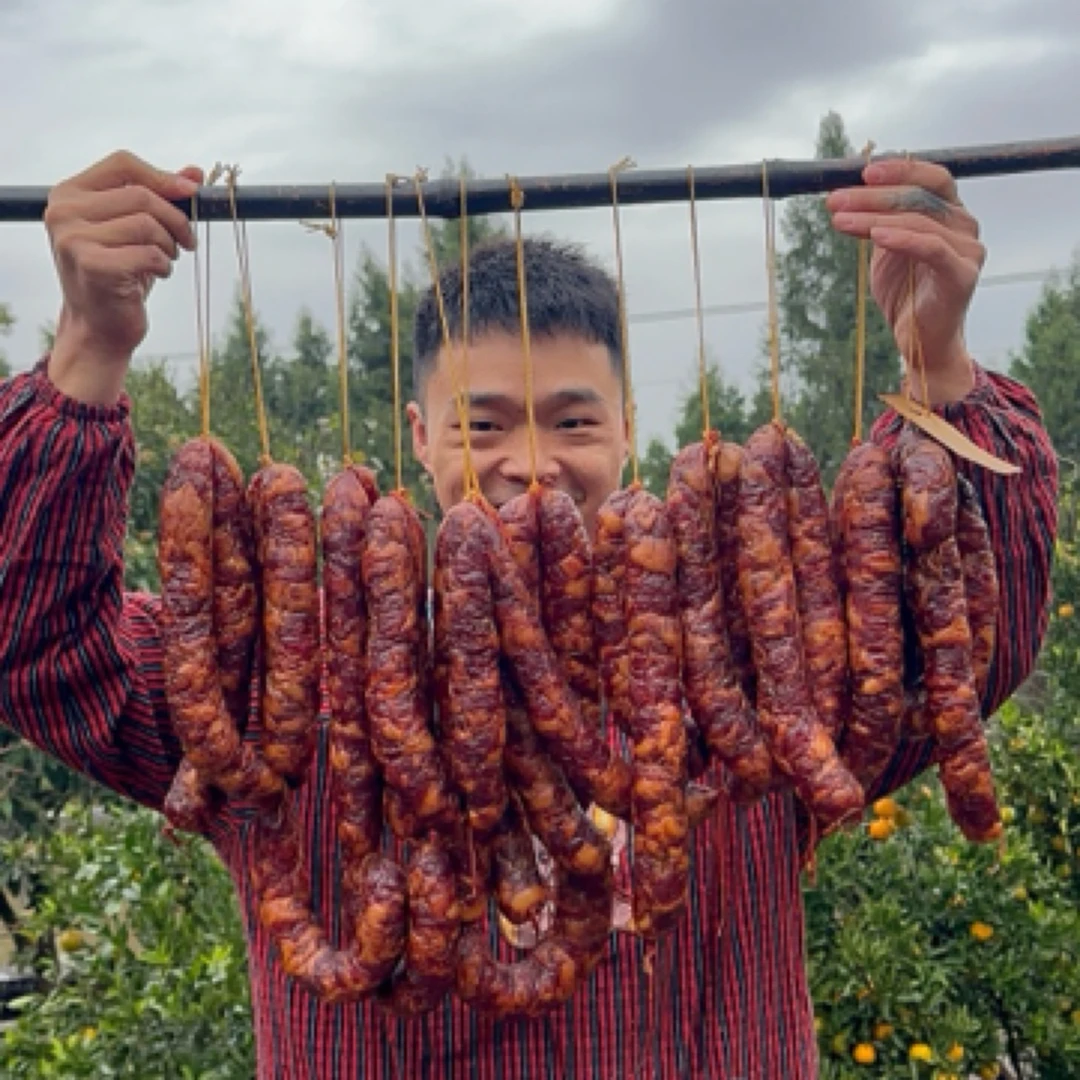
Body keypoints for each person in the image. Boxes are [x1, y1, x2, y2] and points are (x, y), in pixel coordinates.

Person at [0, 150, 1057, 1079]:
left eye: (573, 420)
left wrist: (939, 361)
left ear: (628, 430)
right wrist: (90, 346)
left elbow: (969, 649)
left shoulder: (742, 677)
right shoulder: (299, 678)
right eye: (485, 423)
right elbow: (45, 659)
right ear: (420, 435)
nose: (532, 463)